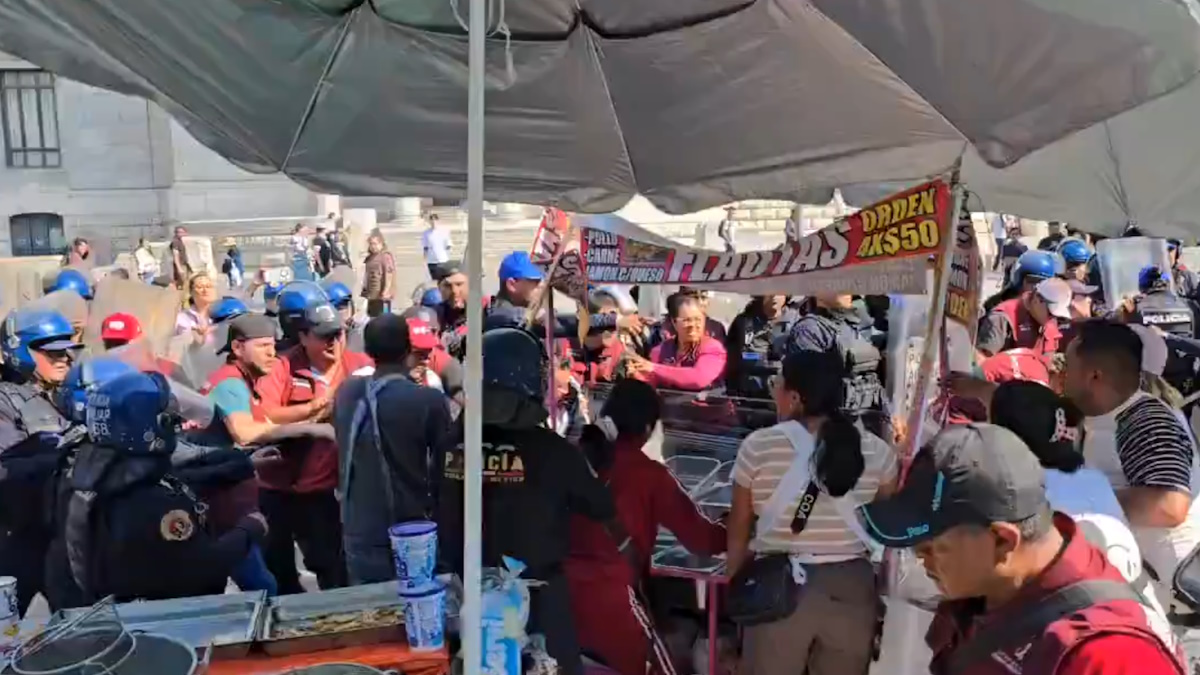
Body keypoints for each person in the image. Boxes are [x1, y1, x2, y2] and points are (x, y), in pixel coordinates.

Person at [859, 423, 1186, 675]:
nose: (919, 555)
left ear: (1003, 540)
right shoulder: (981, 588)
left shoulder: (1110, 657)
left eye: (932, 545)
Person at [438, 327, 616, 675]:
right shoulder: (553, 452)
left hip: (467, 596)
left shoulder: (450, 445)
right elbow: (601, 506)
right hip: (538, 601)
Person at [727, 350, 897, 675]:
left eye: (776, 383)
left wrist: (736, 588)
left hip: (778, 587)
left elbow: (739, 528)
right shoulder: (878, 452)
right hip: (853, 590)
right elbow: (882, 526)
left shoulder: (758, 446)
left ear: (793, 396)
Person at [62, 371, 270, 604]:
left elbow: (175, 476)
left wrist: (241, 464)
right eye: (167, 418)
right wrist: (249, 528)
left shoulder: (91, 473)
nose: (176, 423)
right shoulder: (158, 503)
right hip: (166, 616)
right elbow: (203, 568)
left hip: (116, 606)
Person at [567, 379, 726, 675]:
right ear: (649, 428)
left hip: (560, 596)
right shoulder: (649, 475)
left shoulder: (570, 459)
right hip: (614, 604)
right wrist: (739, 527)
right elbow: (702, 540)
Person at [1064, 319, 1200, 611]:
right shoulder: (1100, 417)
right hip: (1150, 588)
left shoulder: (1144, 420)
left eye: (1068, 364)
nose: (1060, 371)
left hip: (1183, 596)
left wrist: (1079, 497)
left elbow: (1169, 505)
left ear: (1094, 376)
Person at [255, 301, 371, 593]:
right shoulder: (283, 367)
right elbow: (264, 416)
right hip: (279, 487)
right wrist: (316, 409)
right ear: (303, 336)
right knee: (278, 573)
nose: (334, 342)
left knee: (333, 568)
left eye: (338, 334)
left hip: (330, 492)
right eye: (324, 336)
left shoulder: (360, 367)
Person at [333, 314, 454, 584]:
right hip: (412, 527)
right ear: (408, 349)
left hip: (359, 527)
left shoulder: (346, 392)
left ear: (367, 351)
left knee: (374, 614)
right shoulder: (427, 399)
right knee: (419, 609)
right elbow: (447, 468)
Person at [0, 308, 81, 614]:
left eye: (66, 352)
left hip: (60, 533)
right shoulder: (5, 401)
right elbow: (5, 469)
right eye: (52, 352)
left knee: (82, 626)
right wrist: (59, 454)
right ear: (19, 350)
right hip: (17, 537)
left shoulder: (61, 395)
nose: (64, 359)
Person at [785, 293, 889, 437]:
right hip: (834, 437)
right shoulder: (809, 330)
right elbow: (812, 395)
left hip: (868, 428)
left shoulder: (851, 325)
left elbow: (872, 380)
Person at [624, 292, 726, 391]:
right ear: (674, 322)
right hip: (667, 406)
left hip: (704, 407)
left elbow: (699, 379)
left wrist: (654, 368)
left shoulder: (713, 348)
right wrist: (637, 374)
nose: (693, 325)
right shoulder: (660, 350)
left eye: (698, 319)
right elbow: (652, 381)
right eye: (687, 320)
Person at [977, 276, 1072, 358]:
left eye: (1057, 316)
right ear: (1037, 299)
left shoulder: (1050, 322)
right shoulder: (1002, 318)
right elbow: (982, 361)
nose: (1052, 319)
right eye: (1050, 313)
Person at [725, 295, 800, 398]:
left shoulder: (797, 324)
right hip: (747, 397)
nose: (774, 295)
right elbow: (734, 360)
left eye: (779, 289)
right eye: (769, 289)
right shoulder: (743, 322)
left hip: (782, 398)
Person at [983, 249, 1059, 314]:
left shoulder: (1053, 312)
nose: (1037, 287)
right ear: (1020, 281)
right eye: (1033, 281)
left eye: (1043, 283)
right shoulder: (999, 313)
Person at [362, 232, 396, 317]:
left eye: (375, 244)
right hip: (372, 294)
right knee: (372, 316)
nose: (373, 246)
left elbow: (389, 275)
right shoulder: (370, 257)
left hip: (381, 295)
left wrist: (386, 291)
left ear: (381, 244)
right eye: (371, 244)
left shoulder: (385, 257)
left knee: (383, 318)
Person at [175, 272, 218, 339]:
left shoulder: (223, 314)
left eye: (208, 286)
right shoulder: (182, 318)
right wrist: (192, 332)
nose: (205, 290)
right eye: (200, 287)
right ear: (191, 292)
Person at [421, 213, 453, 280]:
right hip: (431, 261)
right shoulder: (426, 233)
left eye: (435, 220)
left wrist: (448, 257)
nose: (433, 222)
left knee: (444, 280)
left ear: (438, 221)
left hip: (442, 260)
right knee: (435, 280)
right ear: (429, 221)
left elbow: (449, 246)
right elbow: (425, 247)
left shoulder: (444, 232)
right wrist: (424, 260)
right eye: (431, 220)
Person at [170, 226, 192, 291]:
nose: (180, 234)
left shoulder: (185, 241)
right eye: (178, 232)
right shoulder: (175, 242)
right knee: (184, 282)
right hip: (181, 264)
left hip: (187, 264)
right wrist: (179, 268)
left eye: (182, 232)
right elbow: (175, 255)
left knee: (189, 281)